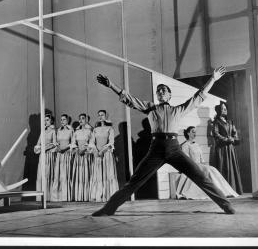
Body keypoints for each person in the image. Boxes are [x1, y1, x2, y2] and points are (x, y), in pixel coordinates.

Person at [92, 66, 236, 216]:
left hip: (174, 149)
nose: (160, 92)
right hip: (156, 149)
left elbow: (198, 96)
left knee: (201, 177)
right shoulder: (150, 108)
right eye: (158, 90)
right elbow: (129, 99)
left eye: (163, 90)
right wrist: (111, 85)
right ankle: (108, 209)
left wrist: (212, 78)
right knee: (134, 182)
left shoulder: (179, 109)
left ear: (169, 95)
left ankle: (226, 206)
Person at [175, 126, 239, 199]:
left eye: (195, 132)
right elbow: (186, 160)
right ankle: (214, 192)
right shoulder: (185, 145)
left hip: (200, 165)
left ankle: (222, 192)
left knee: (212, 169)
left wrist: (204, 165)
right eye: (193, 132)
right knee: (208, 171)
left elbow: (202, 159)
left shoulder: (197, 145)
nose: (195, 133)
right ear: (188, 133)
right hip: (192, 166)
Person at [213, 102, 243, 194]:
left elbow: (235, 134)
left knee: (232, 167)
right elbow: (216, 134)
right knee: (224, 167)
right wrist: (226, 139)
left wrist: (233, 139)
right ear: (218, 110)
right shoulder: (216, 122)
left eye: (225, 108)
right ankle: (225, 191)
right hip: (222, 149)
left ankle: (234, 189)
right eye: (222, 108)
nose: (225, 110)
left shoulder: (230, 122)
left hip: (230, 148)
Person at [89, 110, 119, 202]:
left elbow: (111, 142)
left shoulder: (110, 129)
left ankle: (109, 195)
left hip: (106, 154)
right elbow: (91, 142)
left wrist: (102, 151)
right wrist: (95, 151)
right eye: (99, 115)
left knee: (107, 174)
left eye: (102, 115)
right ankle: (99, 195)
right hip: (97, 155)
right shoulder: (95, 129)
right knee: (98, 175)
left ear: (106, 116)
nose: (100, 116)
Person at [34, 112, 57, 201]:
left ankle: (48, 196)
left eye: (47, 120)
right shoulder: (43, 131)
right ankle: (40, 197)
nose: (45, 122)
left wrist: (46, 148)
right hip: (42, 155)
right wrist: (38, 149)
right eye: (44, 120)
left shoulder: (53, 131)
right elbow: (38, 144)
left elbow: (54, 144)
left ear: (51, 121)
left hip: (49, 155)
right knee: (40, 175)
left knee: (48, 174)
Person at [70, 113, 93, 201]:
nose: (80, 120)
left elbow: (91, 142)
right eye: (79, 119)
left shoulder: (90, 131)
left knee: (87, 174)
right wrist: (76, 150)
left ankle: (87, 196)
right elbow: (73, 143)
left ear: (86, 120)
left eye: (83, 118)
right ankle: (79, 196)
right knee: (79, 175)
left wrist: (84, 150)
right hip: (78, 155)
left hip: (87, 155)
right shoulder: (76, 132)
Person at [51, 114, 74, 201]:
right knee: (58, 174)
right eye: (61, 120)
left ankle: (66, 196)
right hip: (59, 155)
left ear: (67, 120)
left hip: (67, 154)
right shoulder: (58, 131)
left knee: (65, 174)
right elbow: (56, 142)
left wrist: (65, 148)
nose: (62, 121)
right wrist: (58, 148)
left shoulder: (71, 130)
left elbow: (73, 142)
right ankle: (57, 196)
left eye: (64, 119)